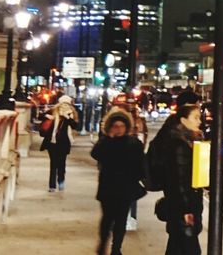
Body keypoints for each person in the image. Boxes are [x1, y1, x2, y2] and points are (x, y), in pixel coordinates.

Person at [91, 108, 146, 255]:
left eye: (122, 126)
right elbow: (95, 154)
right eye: (116, 126)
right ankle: (103, 243)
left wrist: (139, 178)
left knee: (121, 219)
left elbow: (141, 164)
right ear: (110, 127)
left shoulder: (134, 143)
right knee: (107, 218)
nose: (119, 129)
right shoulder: (106, 142)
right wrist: (108, 138)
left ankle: (116, 248)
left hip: (125, 187)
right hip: (108, 186)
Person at [160, 97, 206, 255]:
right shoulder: (180, 145)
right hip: (184, 208)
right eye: (195, 117)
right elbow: (179, 181)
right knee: (190, 248)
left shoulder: (188, 141)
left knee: (176, 246)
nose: (199, 121)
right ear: (183, 120)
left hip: (182, 206)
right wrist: (187, 210)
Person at [41, 96, 81, 193]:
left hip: (63, 143)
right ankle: (52, 186)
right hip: (52, 143)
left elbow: (75, 126)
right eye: (63, 104)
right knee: (53, 164)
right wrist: (46, 116)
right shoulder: (53, 112)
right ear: (59, 104)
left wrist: (67, 118)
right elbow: (40, 116)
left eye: (66, 104)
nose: (64, 106)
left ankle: (61, 181)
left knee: (61, 164)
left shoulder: (70, 115)